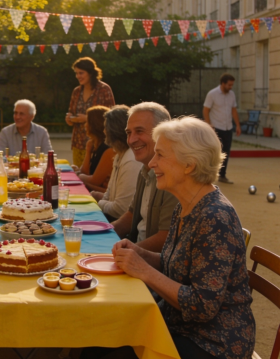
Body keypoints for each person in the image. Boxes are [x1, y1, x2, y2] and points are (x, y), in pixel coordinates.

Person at [103, 117, 256, 359]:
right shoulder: (187, 205)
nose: (152, 163)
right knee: (105, 335)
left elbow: (202, 306)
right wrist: (139, 253)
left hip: (212, 343)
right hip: (181, 326)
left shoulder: (215, 217)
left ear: (189, 165)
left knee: (111, 350)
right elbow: (175, 262)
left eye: (160, 155)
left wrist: (143, 270)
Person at [111, 103, 178, 252]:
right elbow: (131, 214)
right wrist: (102, 233)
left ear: (162, 133)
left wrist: (129, 252)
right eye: (128, 133)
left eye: (139, 131)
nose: (131, 140)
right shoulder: (145, 168)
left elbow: (166, 237)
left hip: (151, 264)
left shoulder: (173, 174)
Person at [93, 105, 143, 222]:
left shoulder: (131, 159)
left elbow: (120, 209)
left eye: (105, 127)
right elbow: (109, 196)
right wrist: (97, 198)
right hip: (113, 219)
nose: (103, 131)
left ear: (113, 131)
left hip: (122, 226)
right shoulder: (120, 155)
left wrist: (96, 201)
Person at [66, 57, 115, 167]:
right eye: (76, 73)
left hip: (98, 142)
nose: (78, 76)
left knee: (93, 175)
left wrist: (86, 118)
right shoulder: (76, 91)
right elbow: (71, 114)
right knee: (79, 177)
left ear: (91, 73)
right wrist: (69, 118)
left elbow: (111, 117)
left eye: (81, 73)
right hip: (78, 143)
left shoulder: (104, 89)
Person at [203, 73, 241, 184]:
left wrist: (237, 125)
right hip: (216, 127)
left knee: (226, 152)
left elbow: (234, 110)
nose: (231, 87)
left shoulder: (232, 95)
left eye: (232, 85)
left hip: (228, 127)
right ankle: (208, 175)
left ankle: (222, 175)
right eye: (229, 85)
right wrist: (208, 125)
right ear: (223, 83)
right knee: (214, 152)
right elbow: (206, 110)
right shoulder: (212, 94)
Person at [75, 106, 114, 193]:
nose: (85, 125)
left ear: (95, 125)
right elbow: (85, 172)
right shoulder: (95, 144)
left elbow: (95, 181)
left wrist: (77, 175)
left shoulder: (108, 148)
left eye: (87, 122)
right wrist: (88, 151)